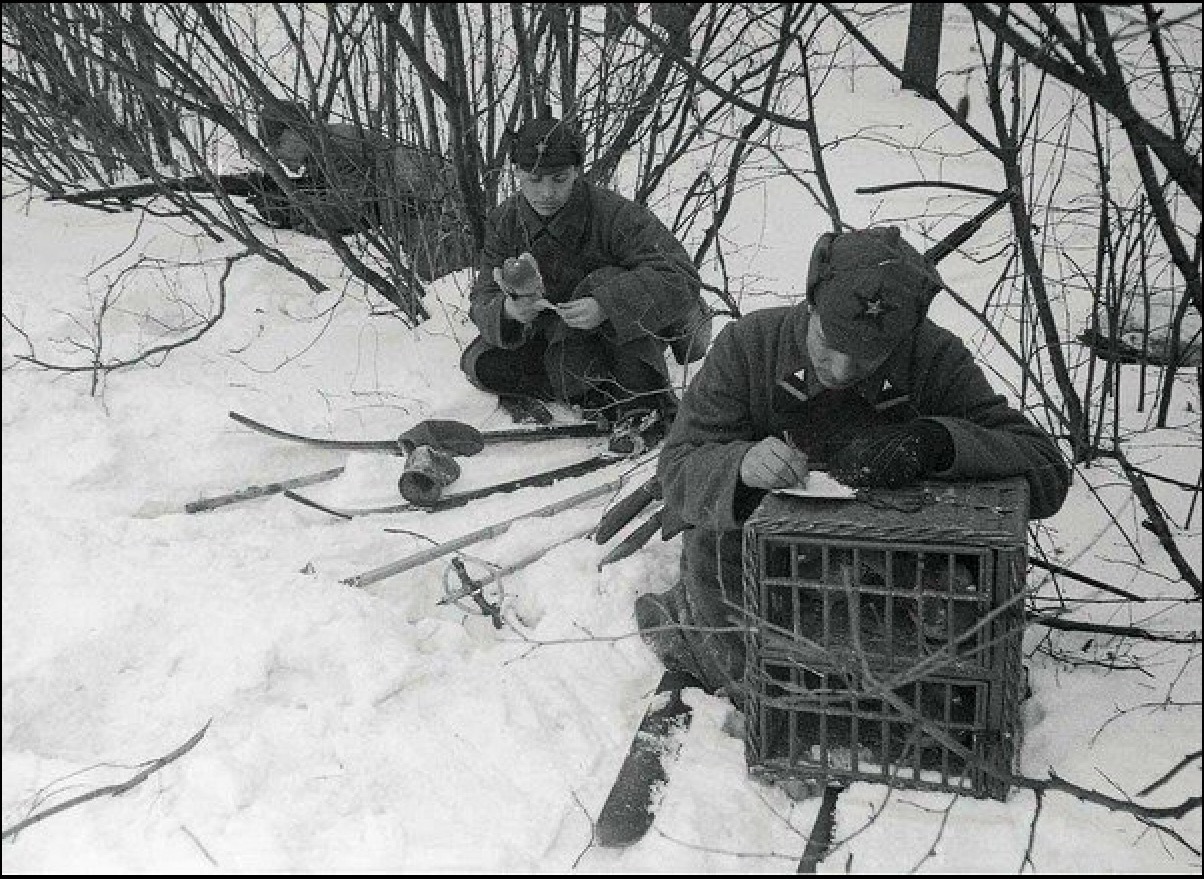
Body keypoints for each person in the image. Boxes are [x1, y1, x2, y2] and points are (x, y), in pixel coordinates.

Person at [638, 225, 1072, 700]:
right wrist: (741, 466)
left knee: (946, 617)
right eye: (830, 341)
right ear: (811, 305)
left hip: (889, 555)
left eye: (869, 354)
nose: (842, 369)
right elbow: (677, 468)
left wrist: (937, 442)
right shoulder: (750, 345)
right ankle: (774, 696)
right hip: (765, 557)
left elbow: (1046, 470)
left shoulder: (932, 354)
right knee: (711, 559)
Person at [460, 116, 707, 429]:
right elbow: (484, 294)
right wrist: (510, 310)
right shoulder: (504, 221)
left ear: (577, 171)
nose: (546, 192)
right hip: (552, 337)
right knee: (482, 366)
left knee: (608, 281)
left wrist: (606, 306)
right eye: (534, 180)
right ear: (517, 174)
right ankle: (591, 392)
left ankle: (637, 400)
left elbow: (680, 275)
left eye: (559, 179)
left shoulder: (613, 213)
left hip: (618, 339)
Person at [250, 100, 471, 281]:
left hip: (427, 202)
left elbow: (351, 210)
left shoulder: (333, 146)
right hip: (423, 200)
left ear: (296, 130)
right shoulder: (323, 146)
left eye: (277, 143)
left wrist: (289, 210)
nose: (275, 154)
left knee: (442, 271)